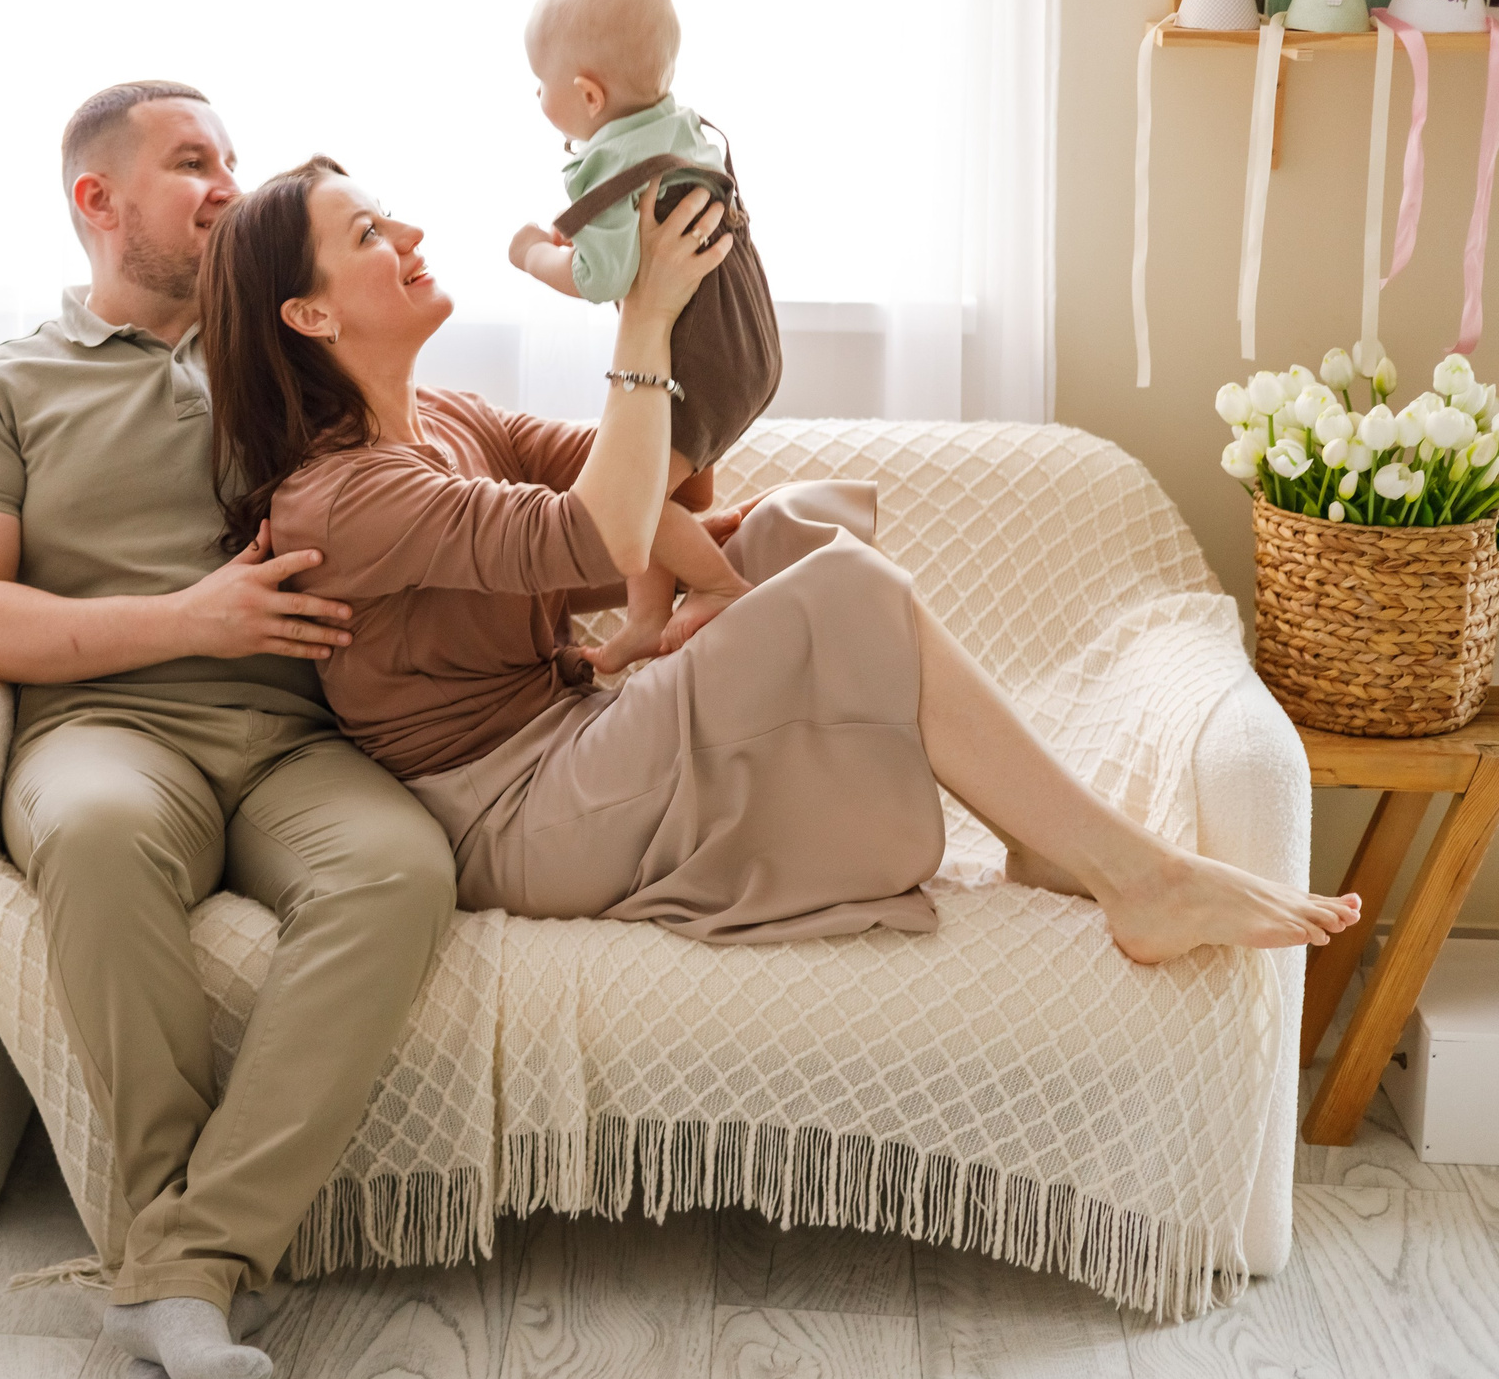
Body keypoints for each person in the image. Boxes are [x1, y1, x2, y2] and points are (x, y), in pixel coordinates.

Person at [202, 153, 1365, 955]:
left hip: (569, 737)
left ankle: (1044, 836)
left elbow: (665, 481)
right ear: (309, 317)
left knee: (792, 526)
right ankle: (1134, 878)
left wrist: (700, 300)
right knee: (833, 585)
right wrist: (639, 323)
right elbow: (589, 531)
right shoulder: (339, 498)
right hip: (511, 815)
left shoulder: (449, 416)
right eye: (366, 235)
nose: (406, 235)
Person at [0, 84, 458, 1379]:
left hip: (291, 737)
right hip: (106, 732)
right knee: (94, 833)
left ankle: (181, 1261)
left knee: (399, 865)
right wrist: (185, 615)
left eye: (234, 161)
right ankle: (188, 1263)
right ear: (96, 199)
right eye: (192, 161)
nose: (227, 183)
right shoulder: (1, 382)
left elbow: (430, 476)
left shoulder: (290, 349)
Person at [510, 0, 781, 665]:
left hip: (699, 357)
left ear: (588, 94)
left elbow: (600, 277)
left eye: (540, 85)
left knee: (635, 503)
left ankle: (720, 587)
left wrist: (535, 255)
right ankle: (646, 619)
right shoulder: (684, 130)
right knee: (667, 488)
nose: (536, 97)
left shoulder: (604, 167)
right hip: (748, 338)